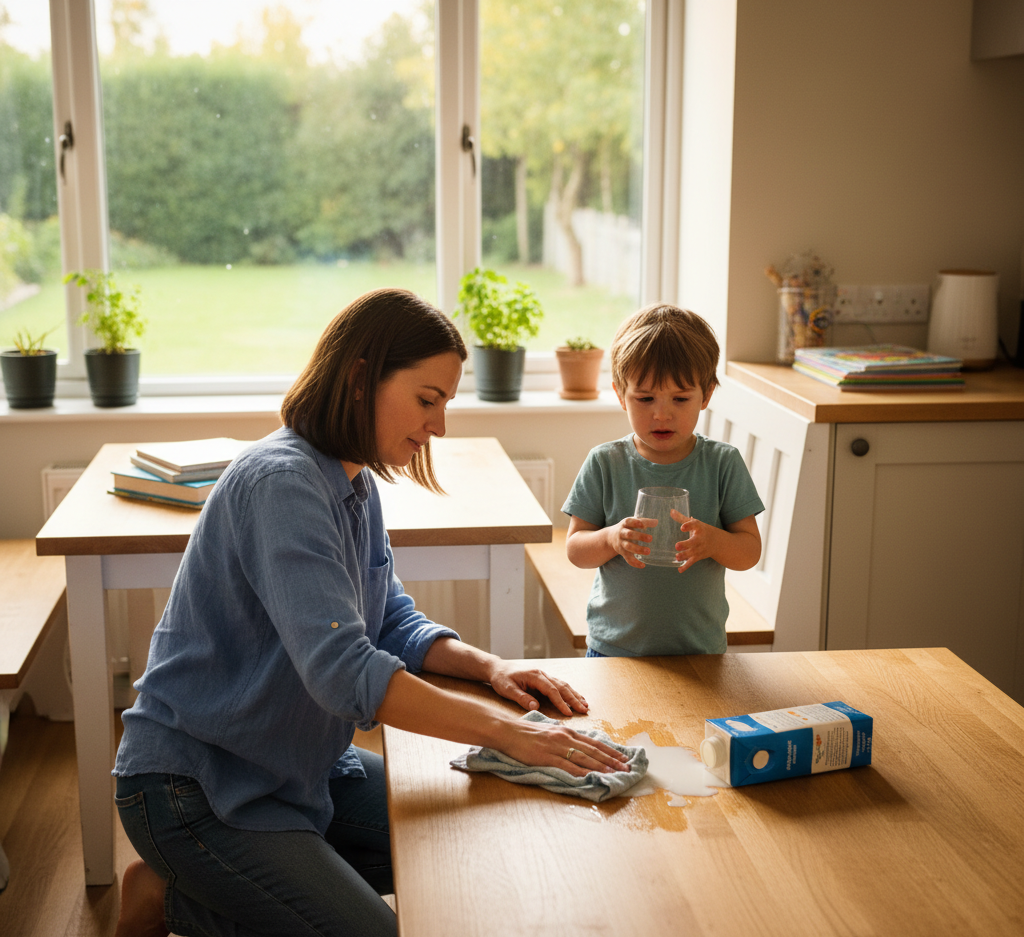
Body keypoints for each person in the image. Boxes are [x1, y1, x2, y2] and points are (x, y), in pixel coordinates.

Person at [112, 288, 630, 937]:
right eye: (427, 399)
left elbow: (390, 621)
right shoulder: (281, 483)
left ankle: (216, 888)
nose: (438, 426)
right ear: (361, 377)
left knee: (482, 842)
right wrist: (512, 733)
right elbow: (343, 670)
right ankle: (172, 895)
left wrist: (492, 668)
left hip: (298, 768)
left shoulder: (352, 481)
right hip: (196, 790)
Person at [563, 303, 765, 658]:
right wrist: (612, 538)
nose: (661, 413)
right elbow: (576, 549)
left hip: (699, 652)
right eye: (644, 398)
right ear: (619, 394)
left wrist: (713, 542)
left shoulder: (722, 464)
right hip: (614, 650)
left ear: (707, 395)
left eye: (681, 398)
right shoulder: (605, 462)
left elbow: (749, 551)